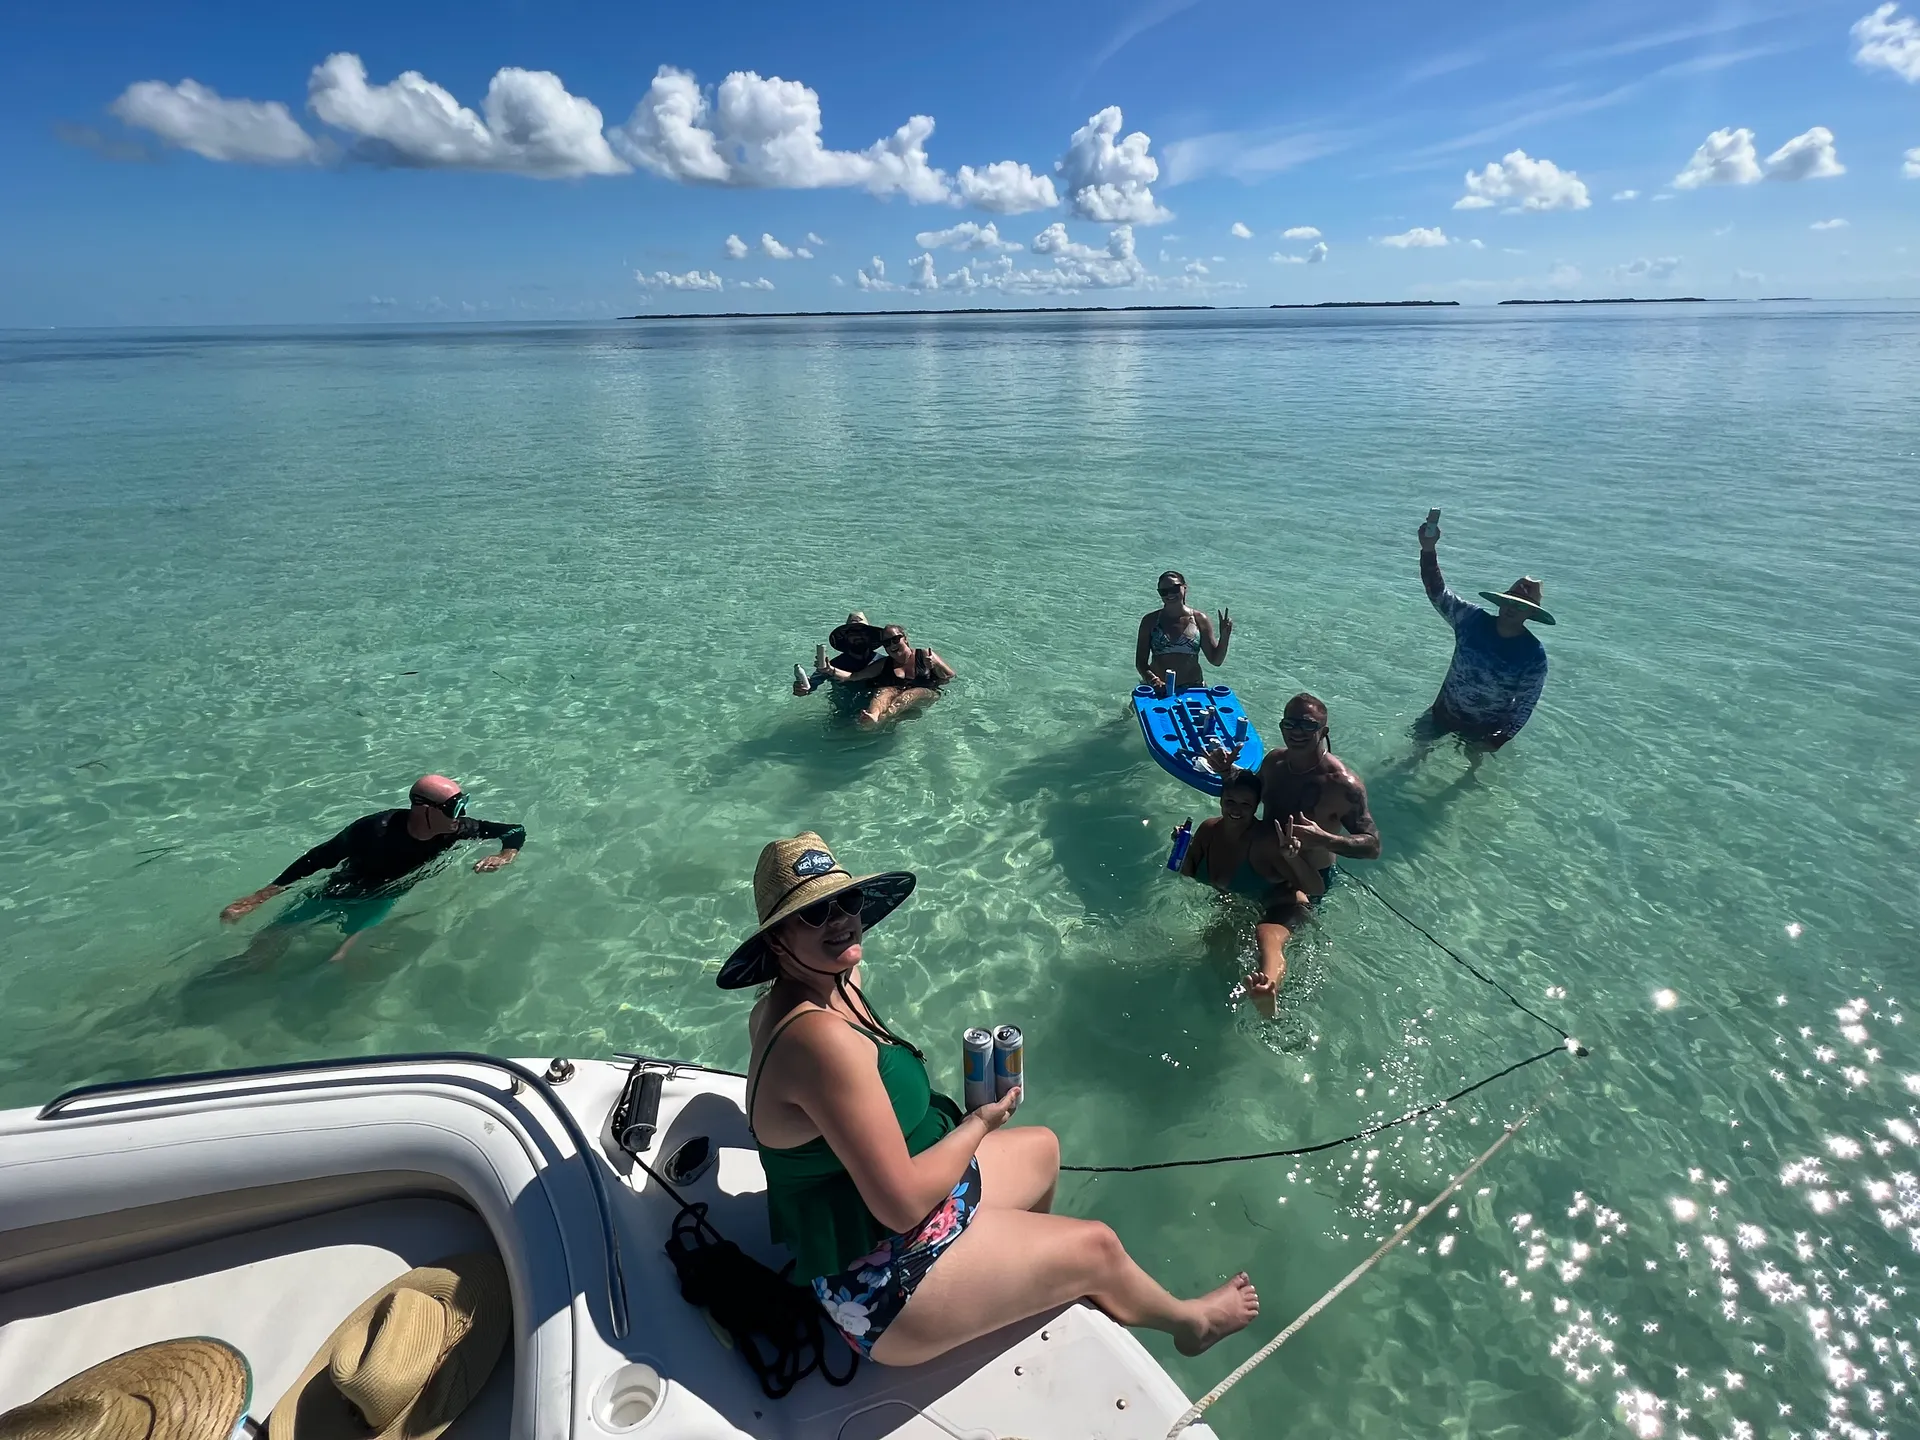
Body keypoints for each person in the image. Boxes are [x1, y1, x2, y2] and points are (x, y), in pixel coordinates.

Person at [728, 832, 1259, 1367]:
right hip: (875, 1283)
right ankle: (1191, 1324)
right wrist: (979, 1122)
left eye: (846, 900)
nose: (840, 919)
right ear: (777, 942)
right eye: (814, 914)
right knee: (1097, 1244)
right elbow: (902, 1203)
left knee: (1044, 1149)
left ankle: (1021, 1272)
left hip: (894, 1217)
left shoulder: (828, 985)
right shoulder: (817, 1040)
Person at [218, 774, 524, 963]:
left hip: (383, 898)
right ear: (425, 809)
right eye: (454, 807)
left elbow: (513, 831)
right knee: (265, 945)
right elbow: (315, 860)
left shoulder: (455, 829)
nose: (462, 814)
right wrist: (256, 899)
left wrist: (506, 855)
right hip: (338, 891)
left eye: (463, 804)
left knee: (340, 959)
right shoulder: (375, 830)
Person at [1177, 767, 1326, 1018]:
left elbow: (1315, 888)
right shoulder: (1208, 830)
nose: (1236, 809)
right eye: (1230, 802)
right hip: (1244, 904)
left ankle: (1267, 990)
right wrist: (1180, 845)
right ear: (1221, 801)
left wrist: (1293, 858)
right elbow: (1187, 873)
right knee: (1213, 943)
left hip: (1283, 905)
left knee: (1265, 934)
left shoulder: (1265, 841)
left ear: (1256, 806)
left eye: (1245, 804)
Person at [1416, 512, 1552, 750]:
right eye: (1510, 601)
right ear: (1501, 602)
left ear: (1531, 615)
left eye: (1522, 607)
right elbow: (1437, 592)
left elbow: (1526, 702)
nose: (1512, 608)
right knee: (1413, 754)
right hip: (1442, 712)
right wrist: (1428, 549)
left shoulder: (1533, 654)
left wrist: (1500, 738)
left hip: (1484, 729)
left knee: (1471, 773)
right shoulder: (1472, 620)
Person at [1254, 692, 1380, 884]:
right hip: (1264, 864)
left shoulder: (1342, 784)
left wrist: (1325, 840)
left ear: (1324, 731)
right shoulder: (1274, 762)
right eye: (1289, 724)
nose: (1296, 732)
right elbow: (1247, 798)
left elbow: (1373, 847)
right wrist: (1227, 771)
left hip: (1308, 879)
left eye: (1308, 725)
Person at [1134, 571, 1231, 695]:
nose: (1169, 594)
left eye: (1174, 588)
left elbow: (1216, 660)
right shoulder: (1150, 621)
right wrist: (1154, 680)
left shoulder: (1200, 619)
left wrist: (1224, 636)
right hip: (1158, 688)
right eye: (1164, 591)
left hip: (1193, 688)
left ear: (1184, 588)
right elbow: (1140, 663)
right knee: (1128, 713)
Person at [859, 625, 955, 727]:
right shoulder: (884, 663)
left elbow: (950, 676)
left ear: (905, 638)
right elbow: (853, 676)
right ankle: (873, 715)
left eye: (895, 639)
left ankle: (883, 718)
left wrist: (936, 665)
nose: (892, 645)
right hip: (899, 693)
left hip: (928, 693)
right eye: (886, 643)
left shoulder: (924, 654)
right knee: (884, 691)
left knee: (911, 694)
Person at [793, 613, 889, 698]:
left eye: (862, 632)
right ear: (845, 638)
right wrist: (802, 688)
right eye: (852, 632)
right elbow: (810, 686)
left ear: (870, 636)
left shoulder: (883, 663)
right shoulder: (832, 666)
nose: (858, 636)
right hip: (841, 714)